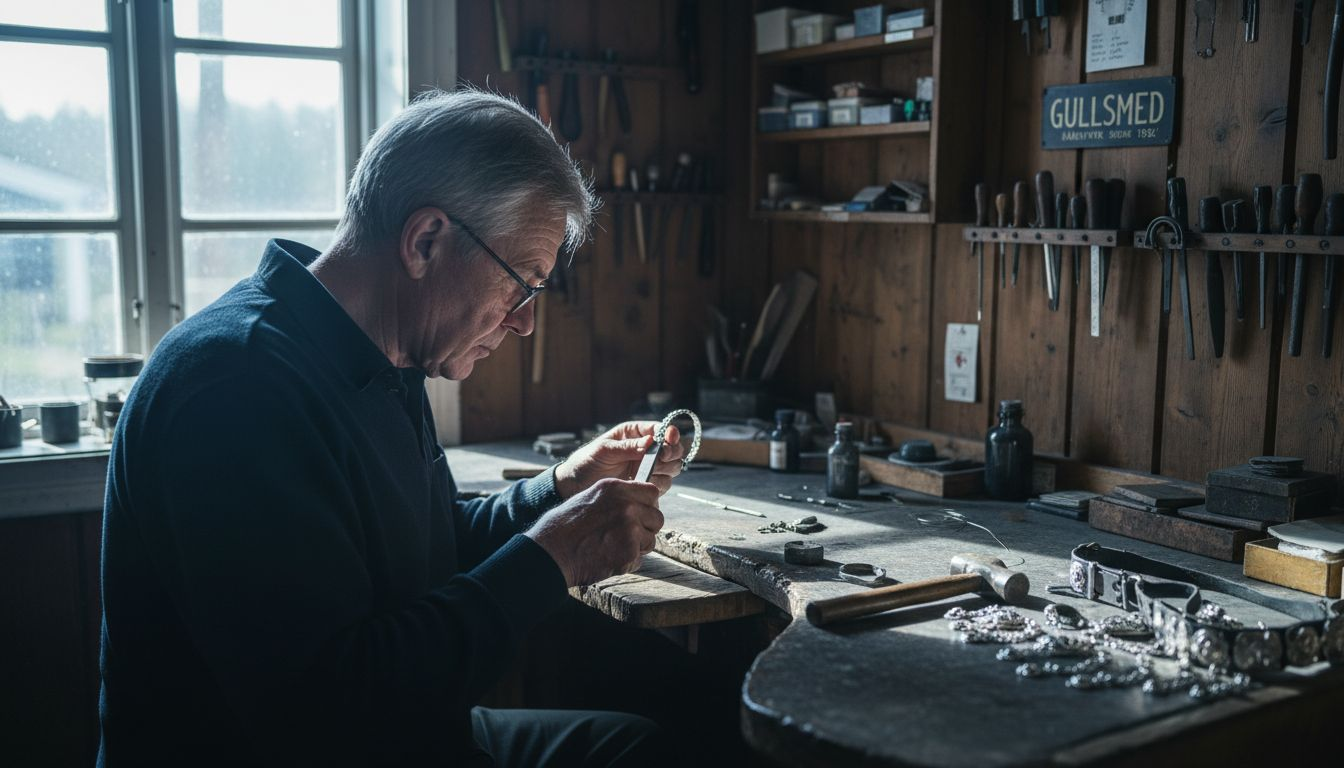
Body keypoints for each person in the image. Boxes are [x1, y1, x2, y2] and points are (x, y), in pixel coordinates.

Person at [98, 88, 686, 767]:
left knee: (633, 749)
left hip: (404, 728)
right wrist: (550, 559)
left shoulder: (382, 357)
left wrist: (558, 489)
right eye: (520, 283)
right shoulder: (235, 391)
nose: (525, 320)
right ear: (425, 240)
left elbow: (424, 551)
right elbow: (332, 709)